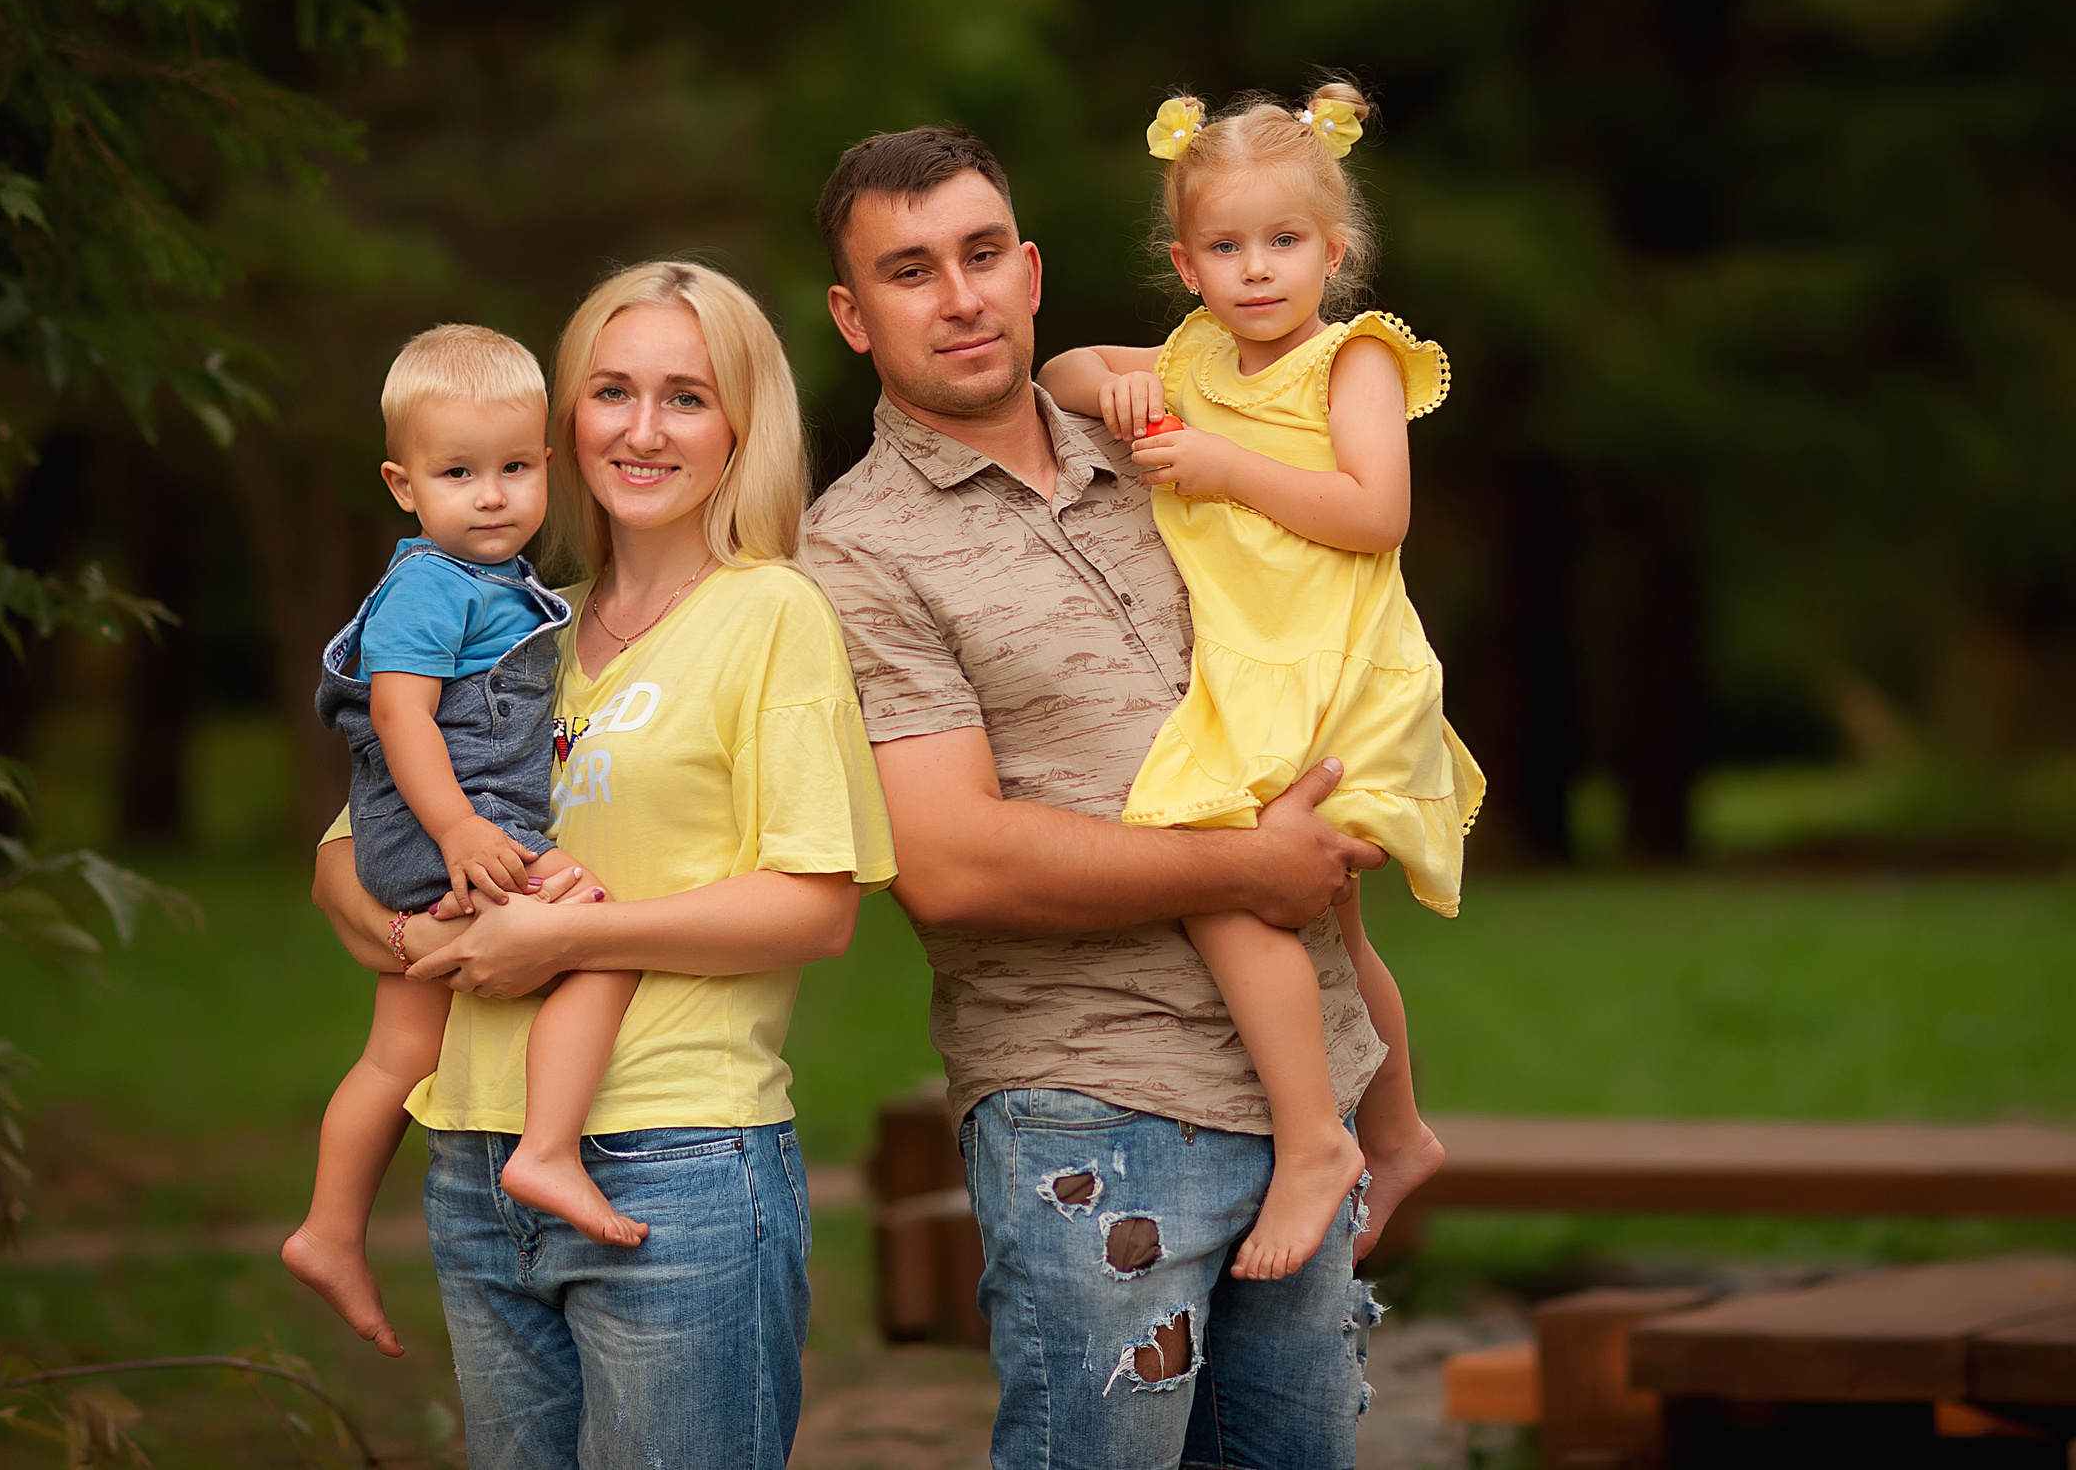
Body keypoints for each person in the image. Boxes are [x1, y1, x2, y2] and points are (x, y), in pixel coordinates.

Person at [800, 125, 1390, 1470]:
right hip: (1093, 1117)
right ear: (852, 313)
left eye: (980, 252)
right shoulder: (856, 551)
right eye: (907, 270)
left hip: (1306, 1082)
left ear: (1031, 270)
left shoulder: (1168, 442)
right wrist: (1249, 868)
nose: (958, 295)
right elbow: (948, 861)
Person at [309, 261, 894, 1469]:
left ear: (740, 425)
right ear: (561, 418)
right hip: (473, 1157)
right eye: (610, 391)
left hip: (673, 1158)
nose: (640, 428)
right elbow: (343, 867)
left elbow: (815, 906)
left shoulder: (769, 612)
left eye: (685, 396)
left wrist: (564, 935)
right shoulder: (505, 620)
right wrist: (429, 936)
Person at [1036, 84, 1478, 1282]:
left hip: (1339, 676)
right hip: (1254, 677)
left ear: (1333, 252)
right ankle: (1396, 1131)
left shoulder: (1356, 361)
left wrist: (1223, 463)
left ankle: (1314, 1140)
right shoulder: (1192, 358)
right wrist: (1114, 388)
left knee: (1229, 881)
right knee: (1321, 920)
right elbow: (1066, 364)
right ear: (1184, 265)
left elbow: (1374, 512)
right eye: (1225, 248)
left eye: (1283, 242)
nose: (1257, 270)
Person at [285, 324, 648, 1360]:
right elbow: (398, 717)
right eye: (457, 473)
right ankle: (543, 1147)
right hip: (439, 830)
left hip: (441, 832)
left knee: (400, 1048)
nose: (490, 495)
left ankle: (329, 1227)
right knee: (598, 931)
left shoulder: (494, 585)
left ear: (546, 460)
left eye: (514, 468)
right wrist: (458, 831)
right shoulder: (429, 587)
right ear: (403, 484)